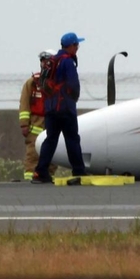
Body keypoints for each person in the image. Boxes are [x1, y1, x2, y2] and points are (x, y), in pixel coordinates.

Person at [33, 33, 87, 184]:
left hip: (50, 108)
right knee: (72, 139)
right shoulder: (67, 62)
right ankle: (79, 171)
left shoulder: (52, 61)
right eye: (76, 45)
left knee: (50, 140)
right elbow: (73, 85)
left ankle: (40, 172)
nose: (77, 48)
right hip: (65, 108)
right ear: (70, 46)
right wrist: (72, 99)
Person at [18, 50, 57, 180]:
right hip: (35, 126)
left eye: (48, 61)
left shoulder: (58, 83)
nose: (44, 63)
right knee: (33, 154)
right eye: (42, 61)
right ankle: (29, 179)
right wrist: (24, 124)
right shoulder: (32, 83)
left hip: (52, 124)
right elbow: (24, 104)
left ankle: (48, 176)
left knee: (53, 155)